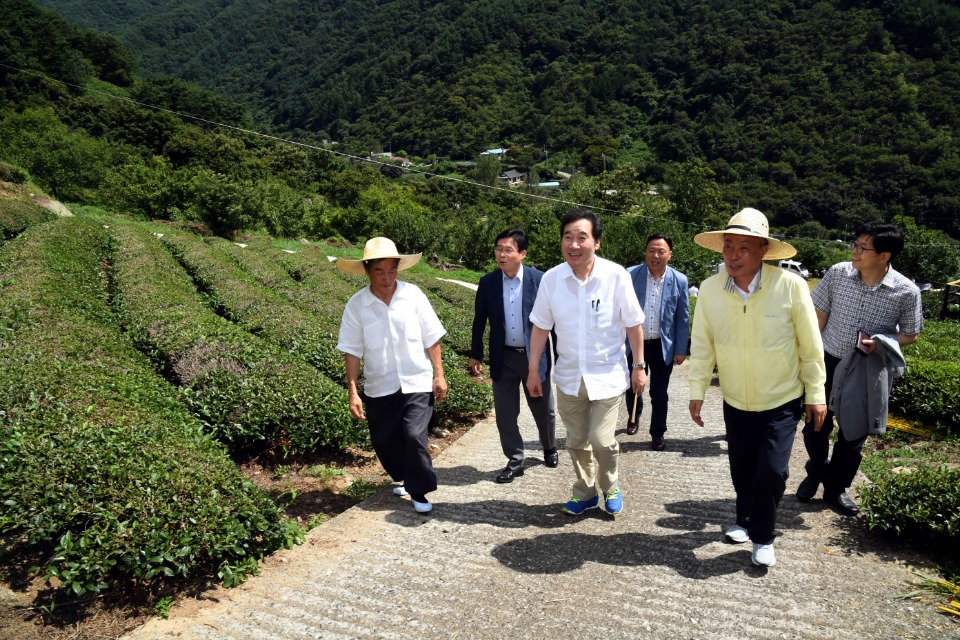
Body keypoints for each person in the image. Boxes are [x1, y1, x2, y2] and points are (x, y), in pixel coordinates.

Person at [688, 208, 826, 567]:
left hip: (781, 398)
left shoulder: (790, 286)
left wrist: (816, 393)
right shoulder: (710, 289)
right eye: (728, 246)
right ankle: (743, 520)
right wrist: (697, 389)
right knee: (743, 468)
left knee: (773, 470)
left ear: (764, 250)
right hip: (735, 398)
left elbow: (810, 346)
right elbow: (703, 344)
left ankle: (763, 536)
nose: (733, 255)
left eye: (744, 248)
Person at [526, 208, 646, 517]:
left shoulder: (616, 275)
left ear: (597, 242)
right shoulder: (552, 279)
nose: (574, 245)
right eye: (568, 237)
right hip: (568, 377)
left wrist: (639, 366)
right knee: (577, 441)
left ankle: (611, 484)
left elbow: (633, 324)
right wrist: (533, 371)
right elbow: (540, 326)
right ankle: (585, 492)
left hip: (606, 376)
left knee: (602, 440)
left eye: (582, 237)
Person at [796, 222, 923, 515]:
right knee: (815, 426)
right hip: (829, 361)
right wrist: (806, 359)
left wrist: (881, 342)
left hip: (868, 368)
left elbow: (911, 333)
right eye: (855, 244)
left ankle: (836, 488)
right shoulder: (838, 273)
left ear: (884, 256)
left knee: (853, 434)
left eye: (862, 247)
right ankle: (816, 470)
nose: (854, 251)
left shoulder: (906, 291)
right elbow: (819, 318)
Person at [336, 237, 448, 514]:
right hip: (380, 385)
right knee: (385, 441)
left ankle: (419, 491)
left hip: (417, 380)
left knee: (413, 434)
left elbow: (431, 337)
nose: (387, 278)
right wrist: (352, 391)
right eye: (379, 271)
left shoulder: (413, 295)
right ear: (367, 272)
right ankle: (406, 476)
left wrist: (439, 374)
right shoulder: (357, 305)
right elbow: (352, 350)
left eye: (392, 270)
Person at [470, 229, 558, 483]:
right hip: (503, 357)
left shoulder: (540, 280)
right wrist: (476, 354)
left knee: (544, 410)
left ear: (522, 253)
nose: (502, 254)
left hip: (534, 357)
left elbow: (555, 322)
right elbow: (480, 321)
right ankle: (515, 459)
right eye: (498, 249)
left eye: (508, 249)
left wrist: (561, 356)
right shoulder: (488, 282)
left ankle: (549, 447)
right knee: (505, 414)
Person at [624, 234, 690, 451]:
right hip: (635, 343)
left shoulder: (679, 280)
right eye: (651, 250)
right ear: (645, 252)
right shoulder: (630, 275)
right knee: (633, 386)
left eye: (661, 251)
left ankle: (658, 432)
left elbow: (683, 317)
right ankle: (634, 415)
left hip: (663, 345)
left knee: (659, 393)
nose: (655, 255)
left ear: (670, 254)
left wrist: (681, 349)